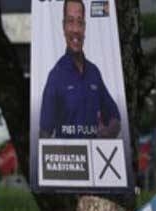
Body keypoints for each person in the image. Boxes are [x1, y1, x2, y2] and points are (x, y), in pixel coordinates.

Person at [39, 0, 122, 139]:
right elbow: (44, 132)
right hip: (68, 159)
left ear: (84, 27)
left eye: (80, 22)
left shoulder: (94, 72)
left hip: (96, 158)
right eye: (70, 21)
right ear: (63, 26)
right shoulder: (55, 76)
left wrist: (108, 133)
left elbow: (115, 117)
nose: (76, 29)